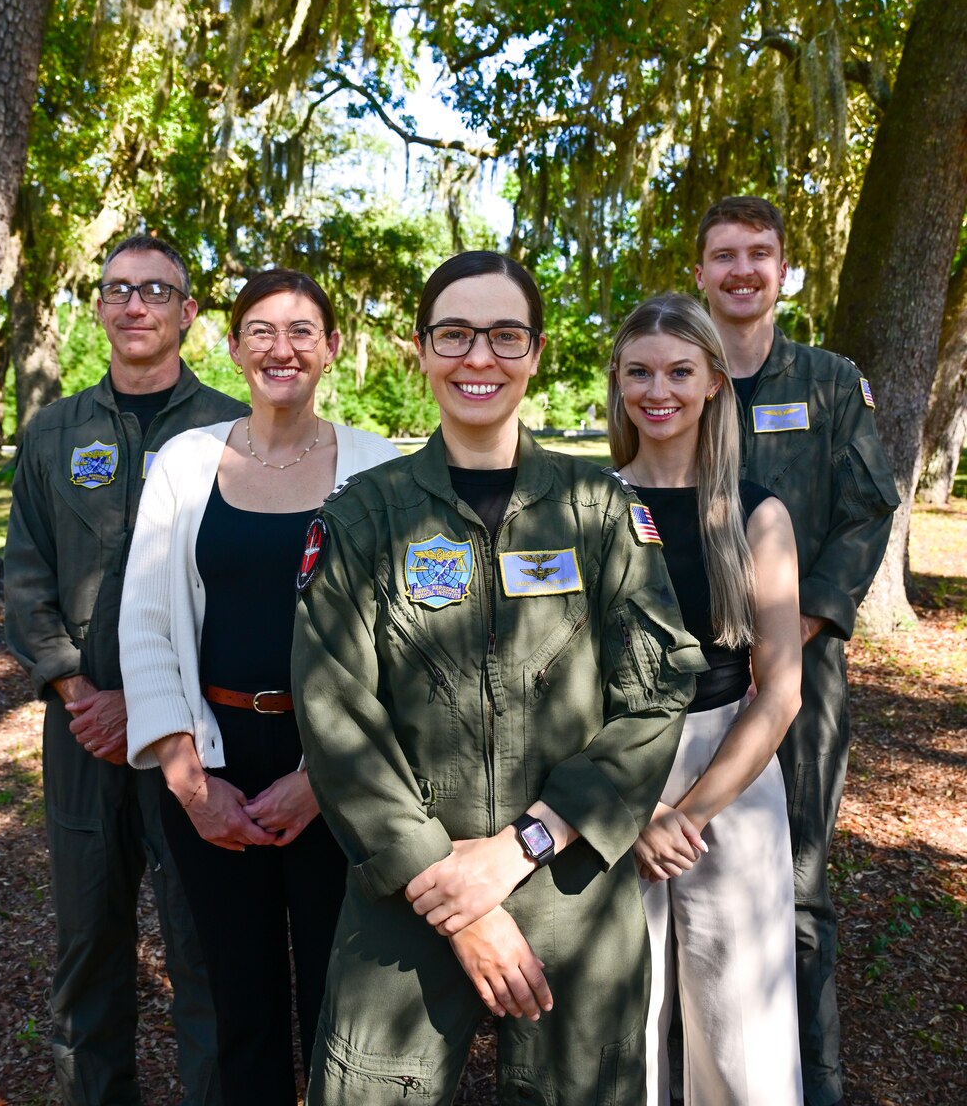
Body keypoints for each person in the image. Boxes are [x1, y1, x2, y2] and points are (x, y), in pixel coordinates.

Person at [290, 251, 706, 1106]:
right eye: (455, 334)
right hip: (409, 884)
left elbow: (658, 694)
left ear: (537, 352)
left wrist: (526, 846)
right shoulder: (361, 518)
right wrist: (455, 894)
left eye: (504, 335)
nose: (479, 358)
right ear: (420, 348)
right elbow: (335, 712)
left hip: (572, 883)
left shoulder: (601, 510)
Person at [118, 269, 399, 1105]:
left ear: (333, 348)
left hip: (339, 767)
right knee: (239, 1003)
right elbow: (146, 624)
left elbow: (402, 642)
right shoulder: (184, 463)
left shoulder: (377, 467)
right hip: (214, 755)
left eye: (304, 330)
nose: (283, 348)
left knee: (338, 998)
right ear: (234, 346)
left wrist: (324, 779)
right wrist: (188, 777)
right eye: (263, 331)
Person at [4, 234, 246, 1105]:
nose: (135, 304)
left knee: (203, 947)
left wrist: (152, 707)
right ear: (100, 307)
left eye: (156, 290)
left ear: (188, 312)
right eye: (117, 289)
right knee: (89, 947)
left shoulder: (231, 428)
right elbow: (26, 574)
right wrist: (78, 691)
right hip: (82, 736)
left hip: (193, 732)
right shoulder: (55, 430)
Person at [694, 197, 900, 1106]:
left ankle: (814, 1089)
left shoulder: (826, 381)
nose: (743, 271)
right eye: (725, 256)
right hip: (684, 688)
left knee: (801, 889)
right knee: (680, 874)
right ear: (699, 271)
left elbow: (868, 510)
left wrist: (801, 625)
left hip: (800, 678)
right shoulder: (676, 374)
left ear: (784, 271)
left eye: (760, 255)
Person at [607, 293, 803, 1105]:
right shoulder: (588, 508)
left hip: (731, 772)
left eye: (680, 371)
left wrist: (686, 813)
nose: (660, 391)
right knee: (621, 1021)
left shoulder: (757, 514)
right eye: (640, 372)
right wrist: (635, 809)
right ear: (617, 383)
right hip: (611, 772)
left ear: (714, 380)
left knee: (741, 1036)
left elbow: (781, 690)